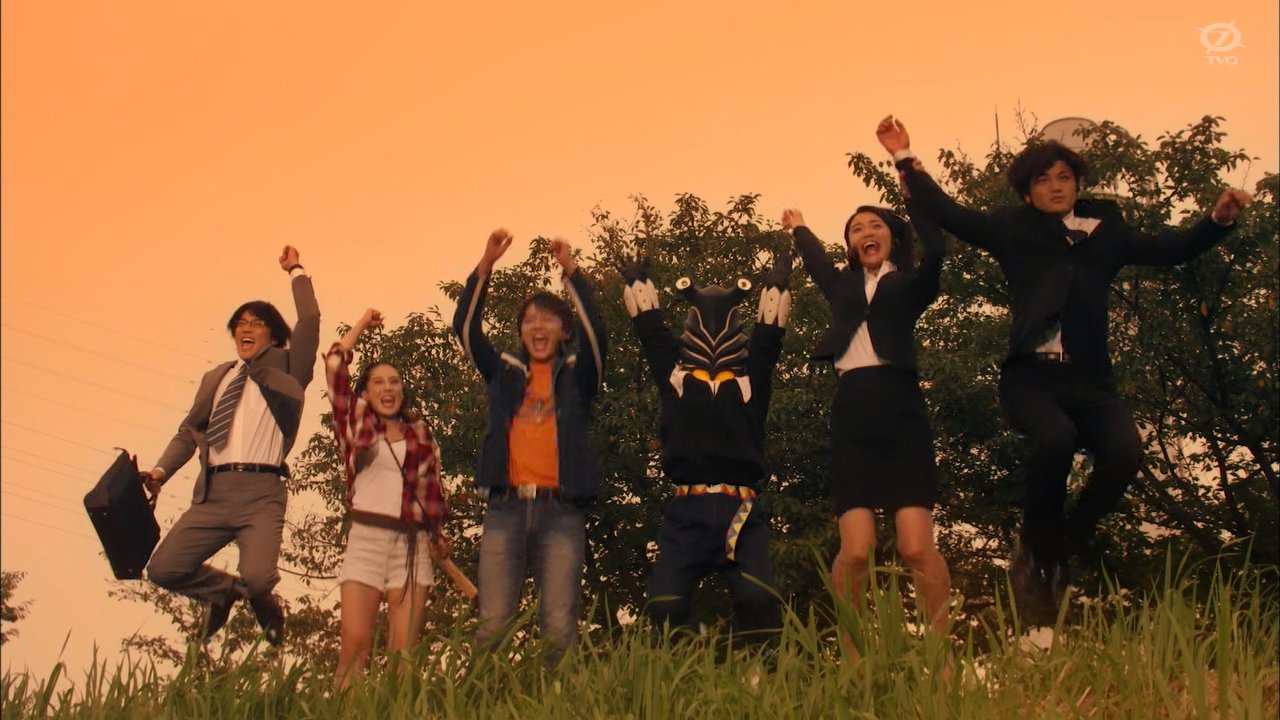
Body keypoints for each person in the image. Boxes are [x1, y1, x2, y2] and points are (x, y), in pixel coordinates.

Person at [876, 115, 1252, 618]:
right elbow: (949, 212)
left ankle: (1065, 541)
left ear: (1077, 185)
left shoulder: (1107, 232)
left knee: (1124, 452)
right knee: (1053, 439)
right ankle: (1036, 547)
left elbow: (1171, 250)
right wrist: (903, 156)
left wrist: (1218, 220)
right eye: (1043, 180)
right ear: (1028, 192)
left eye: (1064, 178)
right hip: (1031, 377)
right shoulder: (1012, 230)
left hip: (1091, 380)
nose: (1055, 187)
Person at [782, 204, 951, 653]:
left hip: (903, 413)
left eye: (875, 226)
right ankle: (854, 656)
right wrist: (800, 228)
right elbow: (817, 262)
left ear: (893, 237)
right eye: (856, 229)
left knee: (916, 547)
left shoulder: (910, 284)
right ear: (852, 245)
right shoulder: (843, 286)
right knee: (857, 551)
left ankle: (941, 656)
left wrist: (914, 191)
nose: (865, 233)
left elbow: (937, 251)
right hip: (853, 415)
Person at [143, 245, 320, 646]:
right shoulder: (217, 377)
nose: (246, 328)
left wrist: (295, 269)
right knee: (163, 569)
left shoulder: (289, 369)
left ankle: (257, 600)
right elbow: (188, 432)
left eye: (256, 323)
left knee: (258, 579)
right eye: (240, 323)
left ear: (273, 334)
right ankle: (222, 593)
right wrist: (159, 472)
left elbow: (309, 319)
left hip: (261, 494)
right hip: (213, 495)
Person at [619, 253, 792, 649]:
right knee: (664, 604)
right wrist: (637, 285)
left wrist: (777, 288)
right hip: (687, 510)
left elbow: (768, 344)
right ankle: (683, 669)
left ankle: (760, 670)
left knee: (758, 598)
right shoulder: (676, 378)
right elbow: (653, 337)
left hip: (741, 511)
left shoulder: (750, 382)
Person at [452, 230, 606, 663]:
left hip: (561, 512)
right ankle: (482, 698)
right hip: (505, 510)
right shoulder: (504, 372)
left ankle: (557, 698)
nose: (538, 327)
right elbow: (465, 329)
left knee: (559, 628)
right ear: (521, 332)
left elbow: (598, 334)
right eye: (529, 321)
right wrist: (485, 266)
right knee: (492, 626)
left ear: (564, 330)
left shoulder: (578, 374)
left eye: (548, 319)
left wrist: (571, 273)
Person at [325, 308, 450, 688]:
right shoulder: (355, 424)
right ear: (365, 393)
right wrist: (363, 323)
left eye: (394, 381)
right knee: (355, 649)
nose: (388, 388)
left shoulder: (422, 434)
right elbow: (334, 364)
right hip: (366, 540)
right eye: (378, 381)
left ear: (402, 390)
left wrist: (438, 534)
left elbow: (433, 491)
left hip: (412, 546)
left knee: (403, 658)